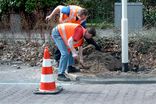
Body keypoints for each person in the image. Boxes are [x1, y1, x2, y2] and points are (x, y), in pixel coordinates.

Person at [46, 5, 101, 71]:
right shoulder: (68, 10)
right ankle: (60, 72)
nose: (81, 19)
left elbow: (80, 46)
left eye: (83, 18)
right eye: (80, 17)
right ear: (77, 14)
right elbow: (59, 7)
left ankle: (70, 67)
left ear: (86, 16)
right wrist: (50, 16)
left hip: (68, 32)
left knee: (70, 48)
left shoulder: (82, 30)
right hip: (59, 31)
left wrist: (81, 59)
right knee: (65, 52)